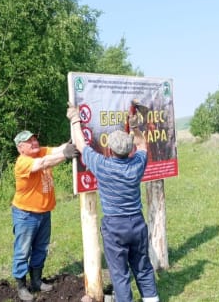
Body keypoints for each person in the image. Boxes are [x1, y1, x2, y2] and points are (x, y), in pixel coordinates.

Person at [66, 103, 159, 302]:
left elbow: (81, 146)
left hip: (115, 226)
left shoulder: (102, 165)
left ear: (110, 150)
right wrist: (134, 127)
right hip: (137, 223)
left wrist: (75, 119)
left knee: (120, 274)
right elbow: (142, 145)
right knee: (143, 268)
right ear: (129, 150)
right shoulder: (137, 164)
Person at [11, 130, 80, 301]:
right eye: (29, 141)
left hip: (44, 212)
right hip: (26, 214)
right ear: (21, 148)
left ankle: (36, 280)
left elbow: (57, 150)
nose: (34, 142)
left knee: (41, 248)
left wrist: (72, 141)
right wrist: (65, 154)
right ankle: (21, 286)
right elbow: (42, 163)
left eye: (35, 139)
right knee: (23, 251)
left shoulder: (40, 151)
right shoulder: (23, 162)